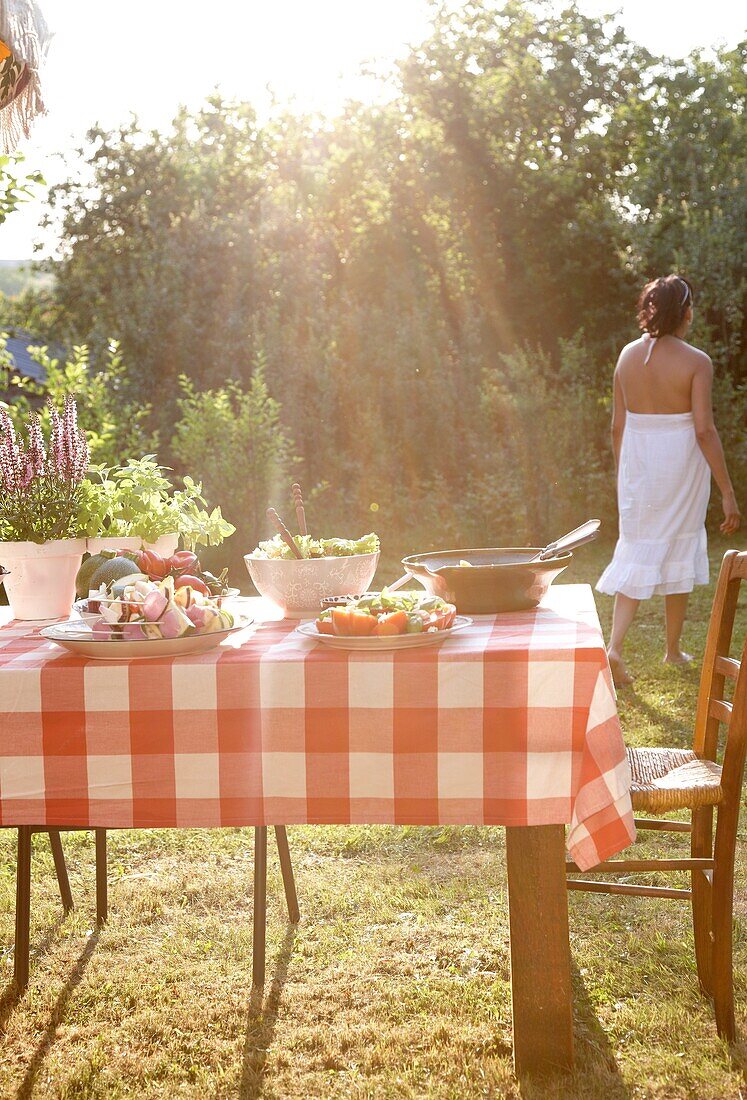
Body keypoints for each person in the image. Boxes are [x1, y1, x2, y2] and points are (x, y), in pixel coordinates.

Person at [597, 274, 740, 687]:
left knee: (637, 548)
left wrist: (625, 475)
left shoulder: (625, 356)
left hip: (638, 465)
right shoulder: (697, 361)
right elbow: (703, 430)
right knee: (681, 540)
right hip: (679, 465)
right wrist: (727, 492)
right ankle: (671, 648)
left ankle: (619, 646)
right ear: (686, 311)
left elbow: (616, 426)